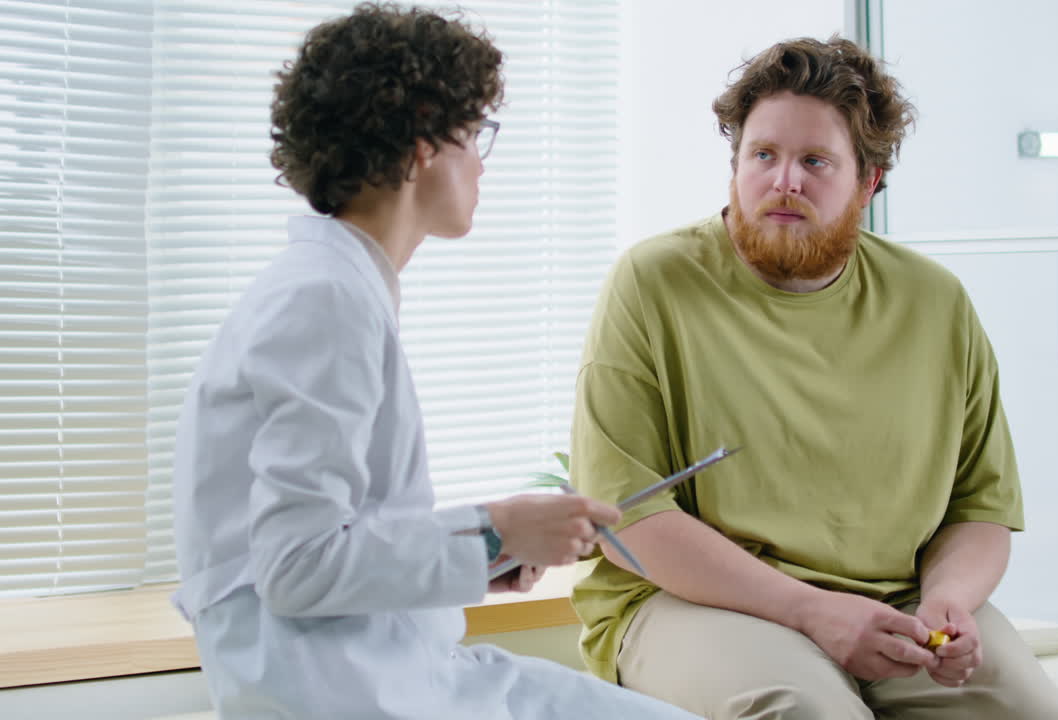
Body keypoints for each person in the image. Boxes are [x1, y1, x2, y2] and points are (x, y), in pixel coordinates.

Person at [169, 4, 701, 719]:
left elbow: (338, 544)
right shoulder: (324, 302)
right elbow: (295, 567)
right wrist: (496, 529)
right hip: (348, 694)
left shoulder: (334, 288)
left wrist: (488, 553)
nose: (481, 163)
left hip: (389, 672)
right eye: (475, 135)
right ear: (423, 142)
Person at [569, 36, 1058, 720]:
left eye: (815, 161)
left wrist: (948, 601)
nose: (785, 181)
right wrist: (814, 611)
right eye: (763, 155)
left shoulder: (935, 303)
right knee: (808, 711)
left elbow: (980, 507)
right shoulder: (652, 283)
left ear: (868, 183)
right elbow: (628, 516)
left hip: (899, 602)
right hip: (692, 602)